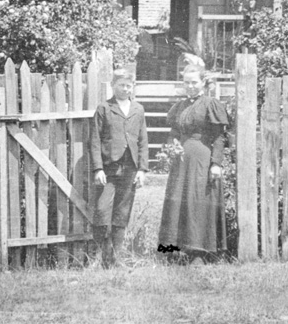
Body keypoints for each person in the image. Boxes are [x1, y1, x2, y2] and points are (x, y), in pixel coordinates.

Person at [158, 54, 229, 264]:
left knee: (198, 204)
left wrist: (216, 164)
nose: (190, 86)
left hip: (202, 162)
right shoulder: (179, 106)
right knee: (178, 204)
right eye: (186, 83)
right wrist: (173, 145)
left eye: (194, 82)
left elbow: (219, 137)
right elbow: (173, 131)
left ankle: (199, 253)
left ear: (203, 83)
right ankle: (174, 252)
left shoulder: (211, 104)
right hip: (180, 163)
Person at [89, 68, 148, 267]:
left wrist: (142, 169)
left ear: (133, 87)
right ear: (113, 86)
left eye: (128, 85)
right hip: (109, 168)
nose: (124, 89)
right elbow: (95, 141)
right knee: (102, 210)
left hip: (130, 168)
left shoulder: (138, 109)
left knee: (122, 213)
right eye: (121, 85)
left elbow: (142, 141)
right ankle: (99, 257)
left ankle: (116, 258)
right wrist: (98, 169)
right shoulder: (104, 108)